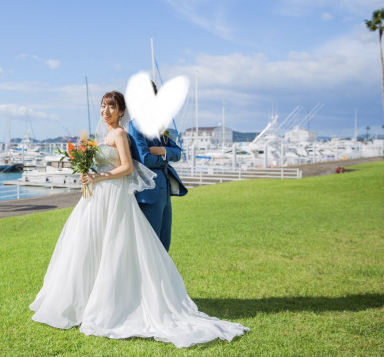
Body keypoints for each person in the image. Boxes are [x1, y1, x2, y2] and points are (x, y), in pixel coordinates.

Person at [29, 91, 249, 347]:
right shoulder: (103, 136)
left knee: (119, 248)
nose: (106, 111)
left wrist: (99, 177)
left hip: (114, 196)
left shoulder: (121, 133)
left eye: (111, 107)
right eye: (103, 106)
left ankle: (125, 301)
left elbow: (128, 167)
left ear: (121, 111)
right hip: (98, 198)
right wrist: (88, 172)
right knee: (89, 248)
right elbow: (109, 164)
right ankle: (85, 300)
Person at [128, 82, 187, 251]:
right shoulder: (135, 125)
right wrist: (165, 158)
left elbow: (178, 152)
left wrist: (161, 150)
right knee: (150, 246)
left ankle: (164, 278)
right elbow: (145, 159)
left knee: (164, 243)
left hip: (165, 191)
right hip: (148, 192)